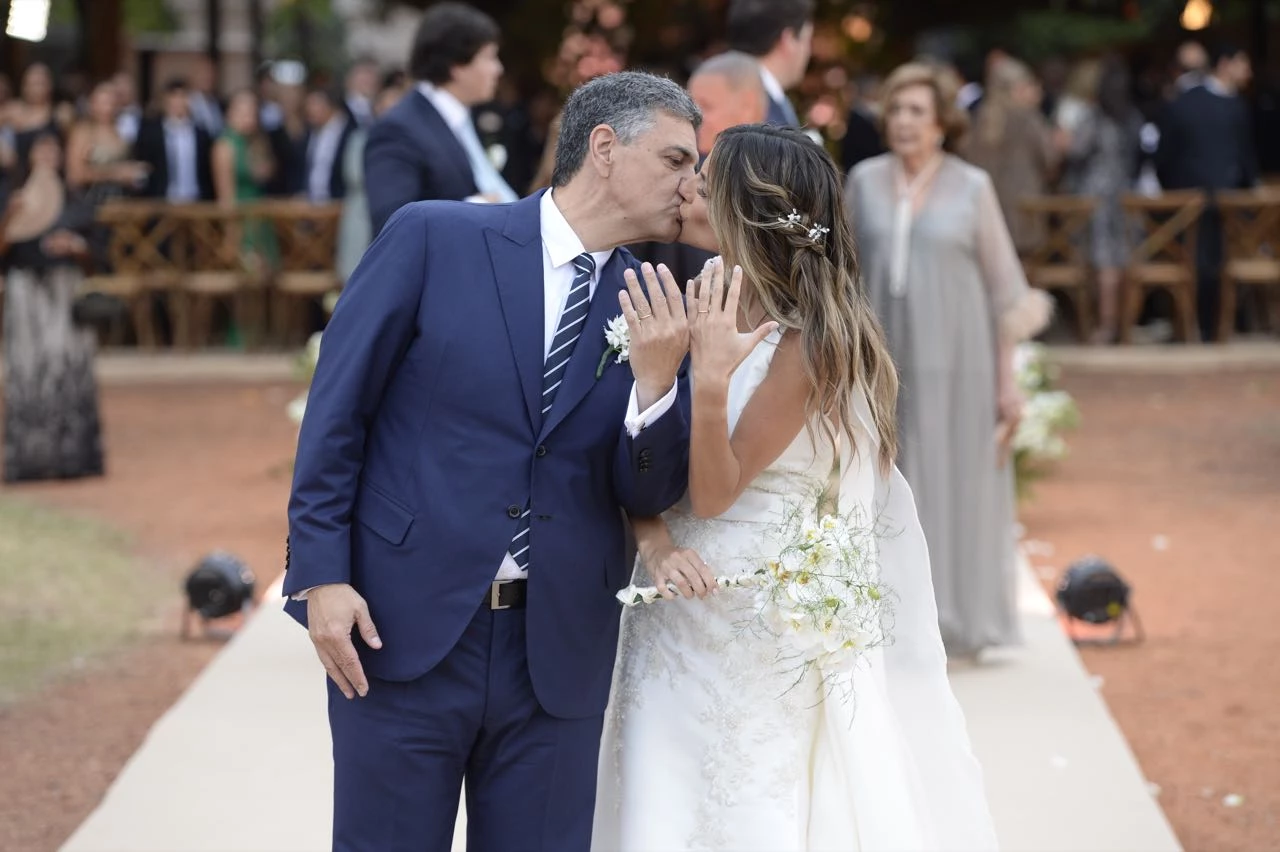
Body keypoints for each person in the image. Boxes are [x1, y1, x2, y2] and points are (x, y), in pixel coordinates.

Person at [283, 71, 701, 851]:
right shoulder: (433, 237)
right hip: (399, 631)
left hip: (556, 656)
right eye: (677, 159)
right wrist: (322, 575)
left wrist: (654, 385)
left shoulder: (657, 300)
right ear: (604, 148)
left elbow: (649, 489)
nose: (692, 182)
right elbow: (338, 412)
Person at [594, 123, 998, 850]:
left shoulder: (805, 342)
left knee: (745, 801)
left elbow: (717, 493)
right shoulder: (706, 294)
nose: (688, 186)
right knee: (658, 791)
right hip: (677, 604)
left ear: (744, 208)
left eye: (705, 176)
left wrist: (710, 381)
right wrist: (651, 535)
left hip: (746, 612)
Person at [845, 63, 1051, 657]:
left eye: (916, 110)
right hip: (886, 362)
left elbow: (1005, 292)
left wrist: (1006, 382)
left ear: (941, 122)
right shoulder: (863, 180)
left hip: (961, 361)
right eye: (896, 109)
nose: (903, 122)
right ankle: (894, 625)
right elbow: (846, 277)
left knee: (958, 484)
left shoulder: (972, 186)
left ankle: (957, 619)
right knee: (889, 483)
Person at [1, 132, 105, 483]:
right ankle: (29, 460)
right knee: (29, 372)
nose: (47, 156)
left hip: (65, 290)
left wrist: (75, 247)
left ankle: (73, 457)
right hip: (24, 290)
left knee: (66, 368)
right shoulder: (12, 198)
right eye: (40, 151)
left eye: (53, 150)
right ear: (28, 157)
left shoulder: (75, 201)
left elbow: (96, 259)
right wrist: (9, 220)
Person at [364, 1, 515, 235]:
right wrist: (480, 207)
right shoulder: (398, 129)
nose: (498, 69)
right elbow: (392, 223)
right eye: (488, 57)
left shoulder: (464, 118)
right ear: (456, 65)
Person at [1155, 41, 1259, 341]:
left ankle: (1191, 328)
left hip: (1186, 203)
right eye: (1243, 63)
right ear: (1224, 63)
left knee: (1195, 264)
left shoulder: (1182, 102)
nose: (1249, 72)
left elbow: (1163, 158)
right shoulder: (1233, 106)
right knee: (1215, 264)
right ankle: (1218, 327)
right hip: (1223, 204)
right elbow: (1246, 160)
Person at [726, 0, 814, 127]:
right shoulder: (761, 110)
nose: (808, 51)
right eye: (807, 40)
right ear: (788, 40)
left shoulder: (718, 89)